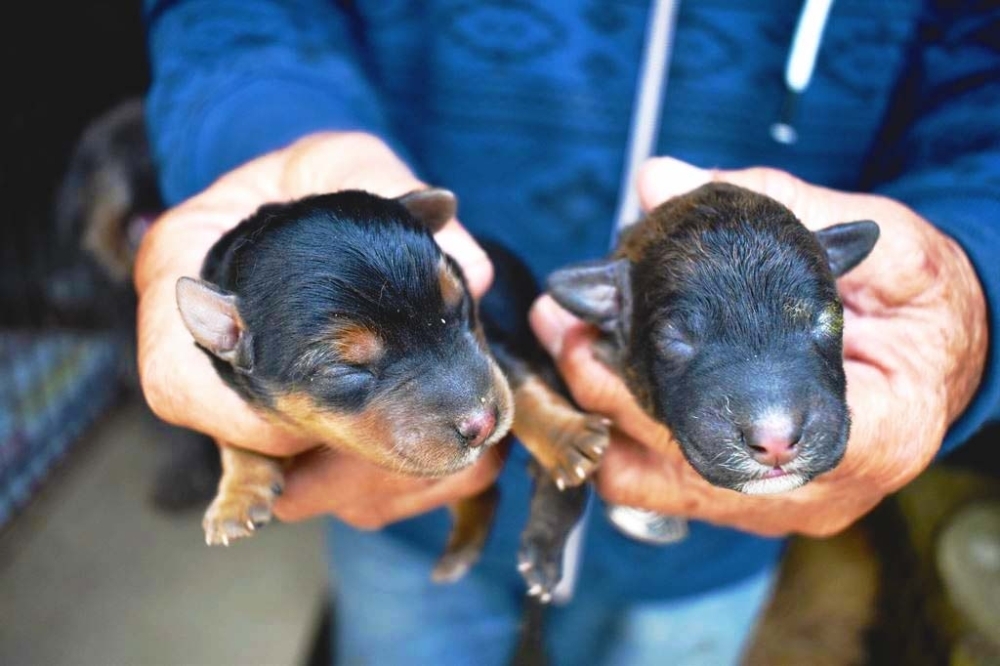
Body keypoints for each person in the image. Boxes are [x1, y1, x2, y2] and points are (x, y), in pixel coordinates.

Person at [137, 1, 1000, 664]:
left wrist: (974, 278)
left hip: (714, 547)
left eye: (451, 306)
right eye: (348, 364)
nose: (479, 408)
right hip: (398, 517)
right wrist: (265, 153)